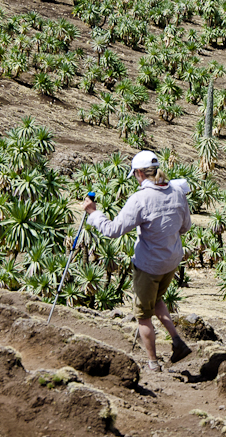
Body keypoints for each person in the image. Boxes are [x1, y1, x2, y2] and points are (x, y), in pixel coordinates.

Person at [82, 150, 193, 372]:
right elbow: (185, 227)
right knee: (157, 298)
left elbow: (113, 230)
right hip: (171, 261)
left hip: (149, 265)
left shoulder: (140, 199)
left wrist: (93, 213)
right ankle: (177, 342)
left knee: (142, 315)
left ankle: (153, 363)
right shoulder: (178, 192)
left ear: (140, 173)